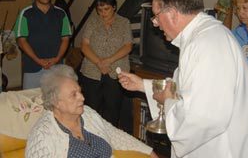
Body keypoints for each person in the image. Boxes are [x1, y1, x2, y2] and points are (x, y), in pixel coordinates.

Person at [118, 0, 248, 158]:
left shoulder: (207, 44)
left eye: (156, 16)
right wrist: (143, 85)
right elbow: (186, 87)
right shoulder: (201, 37)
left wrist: (168, 102)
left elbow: (203, 118)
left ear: (172, 13)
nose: (155, 24)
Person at [26, 64, 157, 158]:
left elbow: (114, 134)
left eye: (80, 91)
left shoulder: (87, 114)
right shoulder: (43, 136)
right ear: (56, 102)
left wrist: (149, 152)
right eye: (73, 95)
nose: (82, 98)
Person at [79, 0, 133, 127]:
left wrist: (108, 60)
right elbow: (84, 46)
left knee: (112, 110)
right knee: (91, 109)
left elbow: (128, 46)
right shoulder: (92, 22)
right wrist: (99, 62)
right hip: (92, 72)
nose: (103, 13)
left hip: (115, 72)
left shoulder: (124, 23)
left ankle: (110, 140)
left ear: (114, 7)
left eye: (106, 9)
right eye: (100, 9)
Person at [13, 0, 72, 89]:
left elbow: (65, 39)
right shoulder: (26, 13)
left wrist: (57, 58)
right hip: (33, 67)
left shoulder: (60, 13)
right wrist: (38, 60)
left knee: (56, 102)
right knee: (30, 101)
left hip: (56, 67)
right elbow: (21, 41)